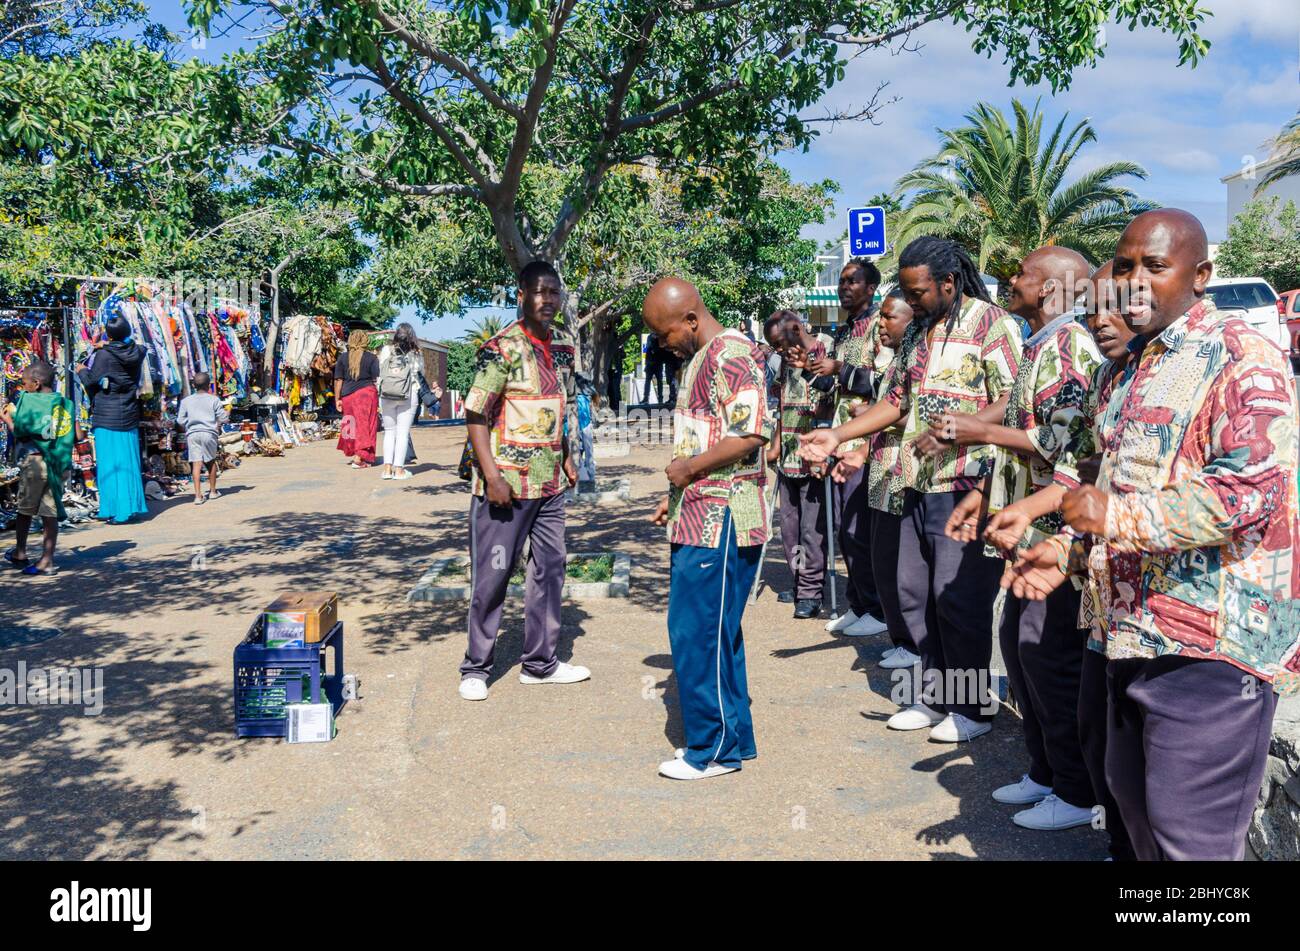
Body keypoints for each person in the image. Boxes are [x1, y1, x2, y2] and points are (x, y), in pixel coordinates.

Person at [1007, 209, 1300, 860]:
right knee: (1131, 820)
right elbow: (1115, 485)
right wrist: (1066, 549)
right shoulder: (1124, 368)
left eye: (1156, 266)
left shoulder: (1240, 352)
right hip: (1123, 632)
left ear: (1201, 276)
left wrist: (1108, 518)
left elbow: (1249, 493)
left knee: (1185, 841)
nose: (1134, 280)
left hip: (1209, 653)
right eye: (1125, 263)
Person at [801, 236, 1023, 743]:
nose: (911, 300)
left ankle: (971, 709)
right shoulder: (921, 334)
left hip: (970, 486)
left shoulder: (994, 326)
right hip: (915, 483)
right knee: (916, 595)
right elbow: (896, 402)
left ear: (948, 283)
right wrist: (837, 435)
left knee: (958, 600)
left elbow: (1013, 402)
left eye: (918, 291)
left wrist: (960, 426)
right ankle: (934, 696)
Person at [936, 245, 1101, 831]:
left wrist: (979, 430)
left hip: (1058, 538)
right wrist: (984, 489)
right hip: (1025, 526)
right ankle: (1046, 770)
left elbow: (1058, 446)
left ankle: (1077, 792)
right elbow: (1018, 421)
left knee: (1047, 655)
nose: (1011, 279)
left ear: (1055, 288)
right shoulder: (1039, 343)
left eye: (1025, 274)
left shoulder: (1072, 346)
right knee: (1018, 645)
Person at [646, 277, 773, 780]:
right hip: (697, 511)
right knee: (713, 632)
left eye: (665, 333)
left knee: (696, 632)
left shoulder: (731, 354)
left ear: (692, 319)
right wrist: (675, 493)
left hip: (723, 518)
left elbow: (750, 433)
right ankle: (732, 738)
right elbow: (711, 433)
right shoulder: (703, 358)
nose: (662, 343)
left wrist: (689, 469)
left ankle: (713, 750)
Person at [460, 260, 587, 701]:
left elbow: (560, 407)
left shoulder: (564, 348)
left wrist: (568, 456)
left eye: (554, 292)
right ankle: (476, 666)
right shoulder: (502, 349)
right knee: (494, 573)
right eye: (539, 292)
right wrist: (492, 475)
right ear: (521, 295)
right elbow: (475, 413)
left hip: (549, 482)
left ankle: (540, 663)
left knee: (550, 569)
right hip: (506, 487)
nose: (548, 300)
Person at [831, 289, 920, 669]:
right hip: (882, 474)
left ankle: (915, 644)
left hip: (906, 477)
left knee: (905, 568)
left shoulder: (917, 360)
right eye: (880, 317)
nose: (881, 325)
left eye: (889, 317)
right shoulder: (895, 362)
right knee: (882, 559)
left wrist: (865, 418)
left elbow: (911, 414)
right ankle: (901, 637)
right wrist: (860, 449)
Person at [806, 258, 888, 637]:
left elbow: (884, 385)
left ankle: (876, 609)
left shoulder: (880, 326)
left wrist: (839, 368)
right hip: (840, 440)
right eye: (841, 281)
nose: (844, 287)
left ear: (871, 288)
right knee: (845, 529)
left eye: (852, 281)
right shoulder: (843, 330)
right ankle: (858, 603)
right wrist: (812, 370)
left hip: (867, 445)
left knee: (861, 530)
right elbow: (832, 387)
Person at [762, 310, 832, 619]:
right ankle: (798, 579)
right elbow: (781, 405)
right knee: (789, 528)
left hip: (815, 455)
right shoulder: (783, 363)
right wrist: (775, 445)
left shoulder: (826, 349)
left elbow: (834, 398)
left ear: (795, 328)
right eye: (773, 346)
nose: (777, 350)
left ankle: (810, 592)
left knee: (810, 529)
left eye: (779, 342)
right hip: (788, 453)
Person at [2, 360, 78, 575]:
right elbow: (78, 434)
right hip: (57, 465)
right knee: (49, 513)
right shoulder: (65, 403)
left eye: (24, 383)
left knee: (25, 511)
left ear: (35, 383)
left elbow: (21, 432)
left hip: (35, 463)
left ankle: (20, 552)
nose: (23, 387)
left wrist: (7, 419)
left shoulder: (30, 402)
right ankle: (47, 561)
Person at [77, 314, 148, 524]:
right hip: (128, 412)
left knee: (111, 465)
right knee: (128, 463)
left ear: (108, 334)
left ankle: (118, 511)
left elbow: (91, 380)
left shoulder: (104, 356)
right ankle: (130, 507)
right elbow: (133, 347)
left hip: (107, 415)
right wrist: (107, 344)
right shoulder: (138, 351)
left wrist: (81, 370)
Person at [378, 322, 422, 481]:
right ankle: (399, 470)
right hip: (408, 394)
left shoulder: (385, 350)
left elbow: (380, 371)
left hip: (387, 394)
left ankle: (387, 470)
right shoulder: (415, 353)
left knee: (389, 432)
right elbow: (419, 372)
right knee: (402, 433)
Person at [177, 372, 229, 505]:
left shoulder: (186, 401)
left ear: (193, 385)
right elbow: (223, 418)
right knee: (210, 462)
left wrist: (190, 423)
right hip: (209, 434)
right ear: (208, 385)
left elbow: (180, 420)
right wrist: (226, 415)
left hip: (193, 434)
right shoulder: (214, 400)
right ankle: (212, 492)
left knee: (196, 463)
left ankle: (198, 496)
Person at [334, 329, 380, 469]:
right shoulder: (372, 358)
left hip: (348, 395)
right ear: (365, 341)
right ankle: (359, 458)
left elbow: (338, 380)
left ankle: (357, 454)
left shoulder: (342, 358)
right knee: (366, 425)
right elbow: (376, 379)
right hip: (366, 394)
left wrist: (338, 399)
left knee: (351, 426)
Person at [642, 332, 666, 405]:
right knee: (648, 381)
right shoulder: (650, 337)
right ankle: (646, 398)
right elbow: (648, 348)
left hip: (658, 362)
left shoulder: (660, 336)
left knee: (659, 381)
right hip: (650, 363)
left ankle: (660, 398)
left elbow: (661, 348)